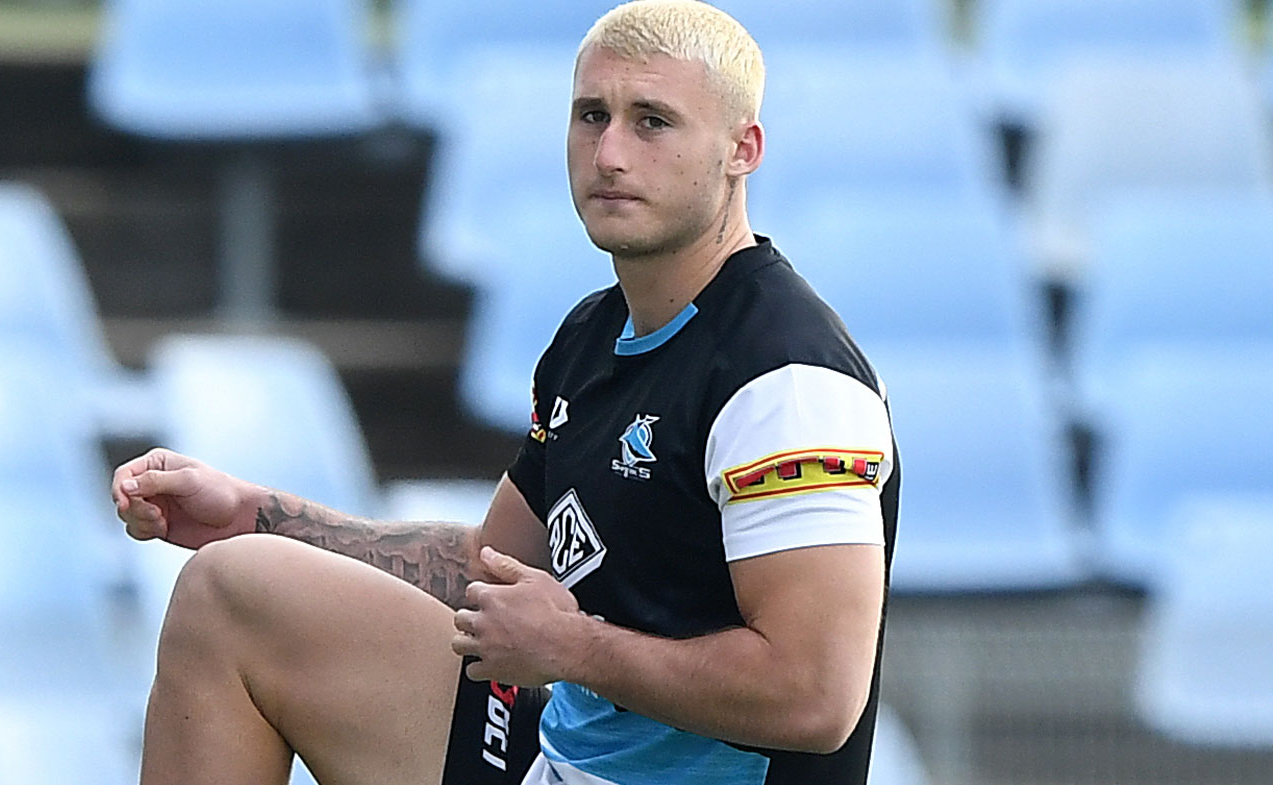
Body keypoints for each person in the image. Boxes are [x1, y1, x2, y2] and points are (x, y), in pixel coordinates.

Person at [111, 2, 900, 783]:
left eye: (652, 121)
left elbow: (815, 698)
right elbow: (485, 568)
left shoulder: (788, 379)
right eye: (592, 115)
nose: (611, 152)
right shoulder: (592, 336)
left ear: (742, 149)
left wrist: (576, 648)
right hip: (560, 760)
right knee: (232, 589)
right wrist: (256, 515)